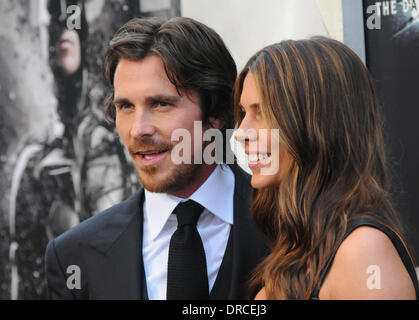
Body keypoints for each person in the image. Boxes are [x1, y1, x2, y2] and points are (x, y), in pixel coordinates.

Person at [45, 17, 268, 300]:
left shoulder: (293, 224)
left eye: (161, 104)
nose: (139, 130)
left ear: (217, 113)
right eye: (125, 106)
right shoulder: (73, 257)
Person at [234, 37, 419, 300]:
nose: (240, 133)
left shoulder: (362, 249)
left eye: (262, 112)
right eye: (243, 113)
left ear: (316, 125)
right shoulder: (299, 243)